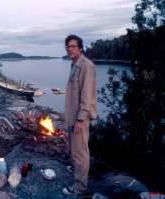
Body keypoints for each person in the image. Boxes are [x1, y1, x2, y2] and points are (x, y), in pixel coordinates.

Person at [62, 35, 97, 195]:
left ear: (80, 48)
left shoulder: (86, 66)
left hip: (79, 118)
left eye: (73, 46)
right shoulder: (75, 65)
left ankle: (80, 186)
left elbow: (87, 95)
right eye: (67, 46)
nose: (70, 49)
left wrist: (80, 119)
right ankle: (76, 169)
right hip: (72, 116)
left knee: (80, 151)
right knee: (73, 146)